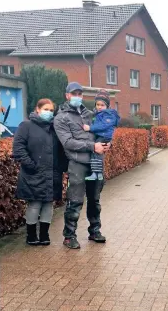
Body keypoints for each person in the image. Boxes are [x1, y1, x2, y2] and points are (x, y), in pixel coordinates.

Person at [54, 82, 110, 249]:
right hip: (77, 163)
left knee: (95, 200)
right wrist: (93, 147)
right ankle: (69, 235)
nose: (77, 96)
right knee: (75, 200)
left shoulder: (91, 114)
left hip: (95, 162)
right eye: (74, 93)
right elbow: (68, 142)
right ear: (67, 96)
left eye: (80, 93)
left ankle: (95, 231)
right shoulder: (61, 118)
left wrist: (106, 143)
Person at [12, 99, 67, 246]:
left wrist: (62, 167)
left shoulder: (54, 128)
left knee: (48, 204)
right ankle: (31, 235)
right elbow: (18, 148)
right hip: (33, 173)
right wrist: (31, 165)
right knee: (35, 204)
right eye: (46, 109)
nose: (48, 112)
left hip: (52, 174)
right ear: (37, 109)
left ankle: (44, 234)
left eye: (51, 110)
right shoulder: (26, 126)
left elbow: (61, 151)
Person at [83, 90, 120, 181]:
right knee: (96, 153)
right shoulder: (97, 114)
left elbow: (103, 126)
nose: (99, 107)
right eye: (98, 104)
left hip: (104, 136)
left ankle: (98, 173)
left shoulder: (108, 114)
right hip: (102, 135)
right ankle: (97, 173)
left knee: (97, 152)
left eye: (102, 105)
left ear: (107, 106)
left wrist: (90, 128)